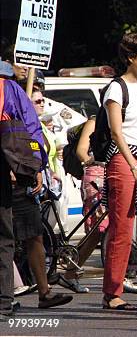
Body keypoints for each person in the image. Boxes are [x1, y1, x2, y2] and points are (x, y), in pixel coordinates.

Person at [101, 33, 137, 310]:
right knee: (123, 227)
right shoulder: (116, 88)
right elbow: (115, 132)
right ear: (131, 57)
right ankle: (112, 292)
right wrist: (133, 165)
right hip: (124, 160)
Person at [1, 62, 52, 320]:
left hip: (14, 174)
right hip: (14, 173)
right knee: (7, 239)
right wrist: (36, 164)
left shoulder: (10, 90)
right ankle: (4, 302)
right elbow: (31, 129)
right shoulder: (10, 90)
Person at [57, 117, 105, 293]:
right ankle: (70, 271)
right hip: (96, 174)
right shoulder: (95, 121)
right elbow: (81, 151)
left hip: (116, 172)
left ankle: (71, 271)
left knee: (108, 228)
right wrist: (95, 161)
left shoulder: (126, 123)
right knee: (97, 229)